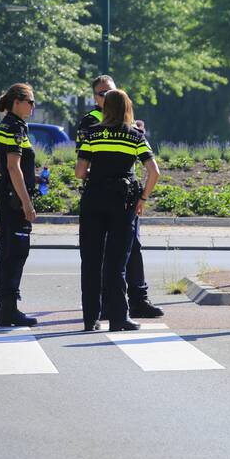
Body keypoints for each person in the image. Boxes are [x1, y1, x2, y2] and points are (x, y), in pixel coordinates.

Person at [76, 75, 163, 319]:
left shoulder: (92, 133)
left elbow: (80, 171)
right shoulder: (134, 134)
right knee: (117, 262)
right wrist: (143, 198)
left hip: (93, 198)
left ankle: (90, 318)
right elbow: (154, 171)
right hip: (123, 201)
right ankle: (119, 317)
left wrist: (101, 173)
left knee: (91, 261)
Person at [0, 83, 39, 327]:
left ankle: (3, 309)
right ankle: (9, 309)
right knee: (17, 251)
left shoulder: (8, 124)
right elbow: (13, 166)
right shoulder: (15, 126)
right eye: (30, 101)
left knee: (8, 251)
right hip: (14, 200)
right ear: (17, 102)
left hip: (7, 196)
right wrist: (27, 203)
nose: (33, 106)